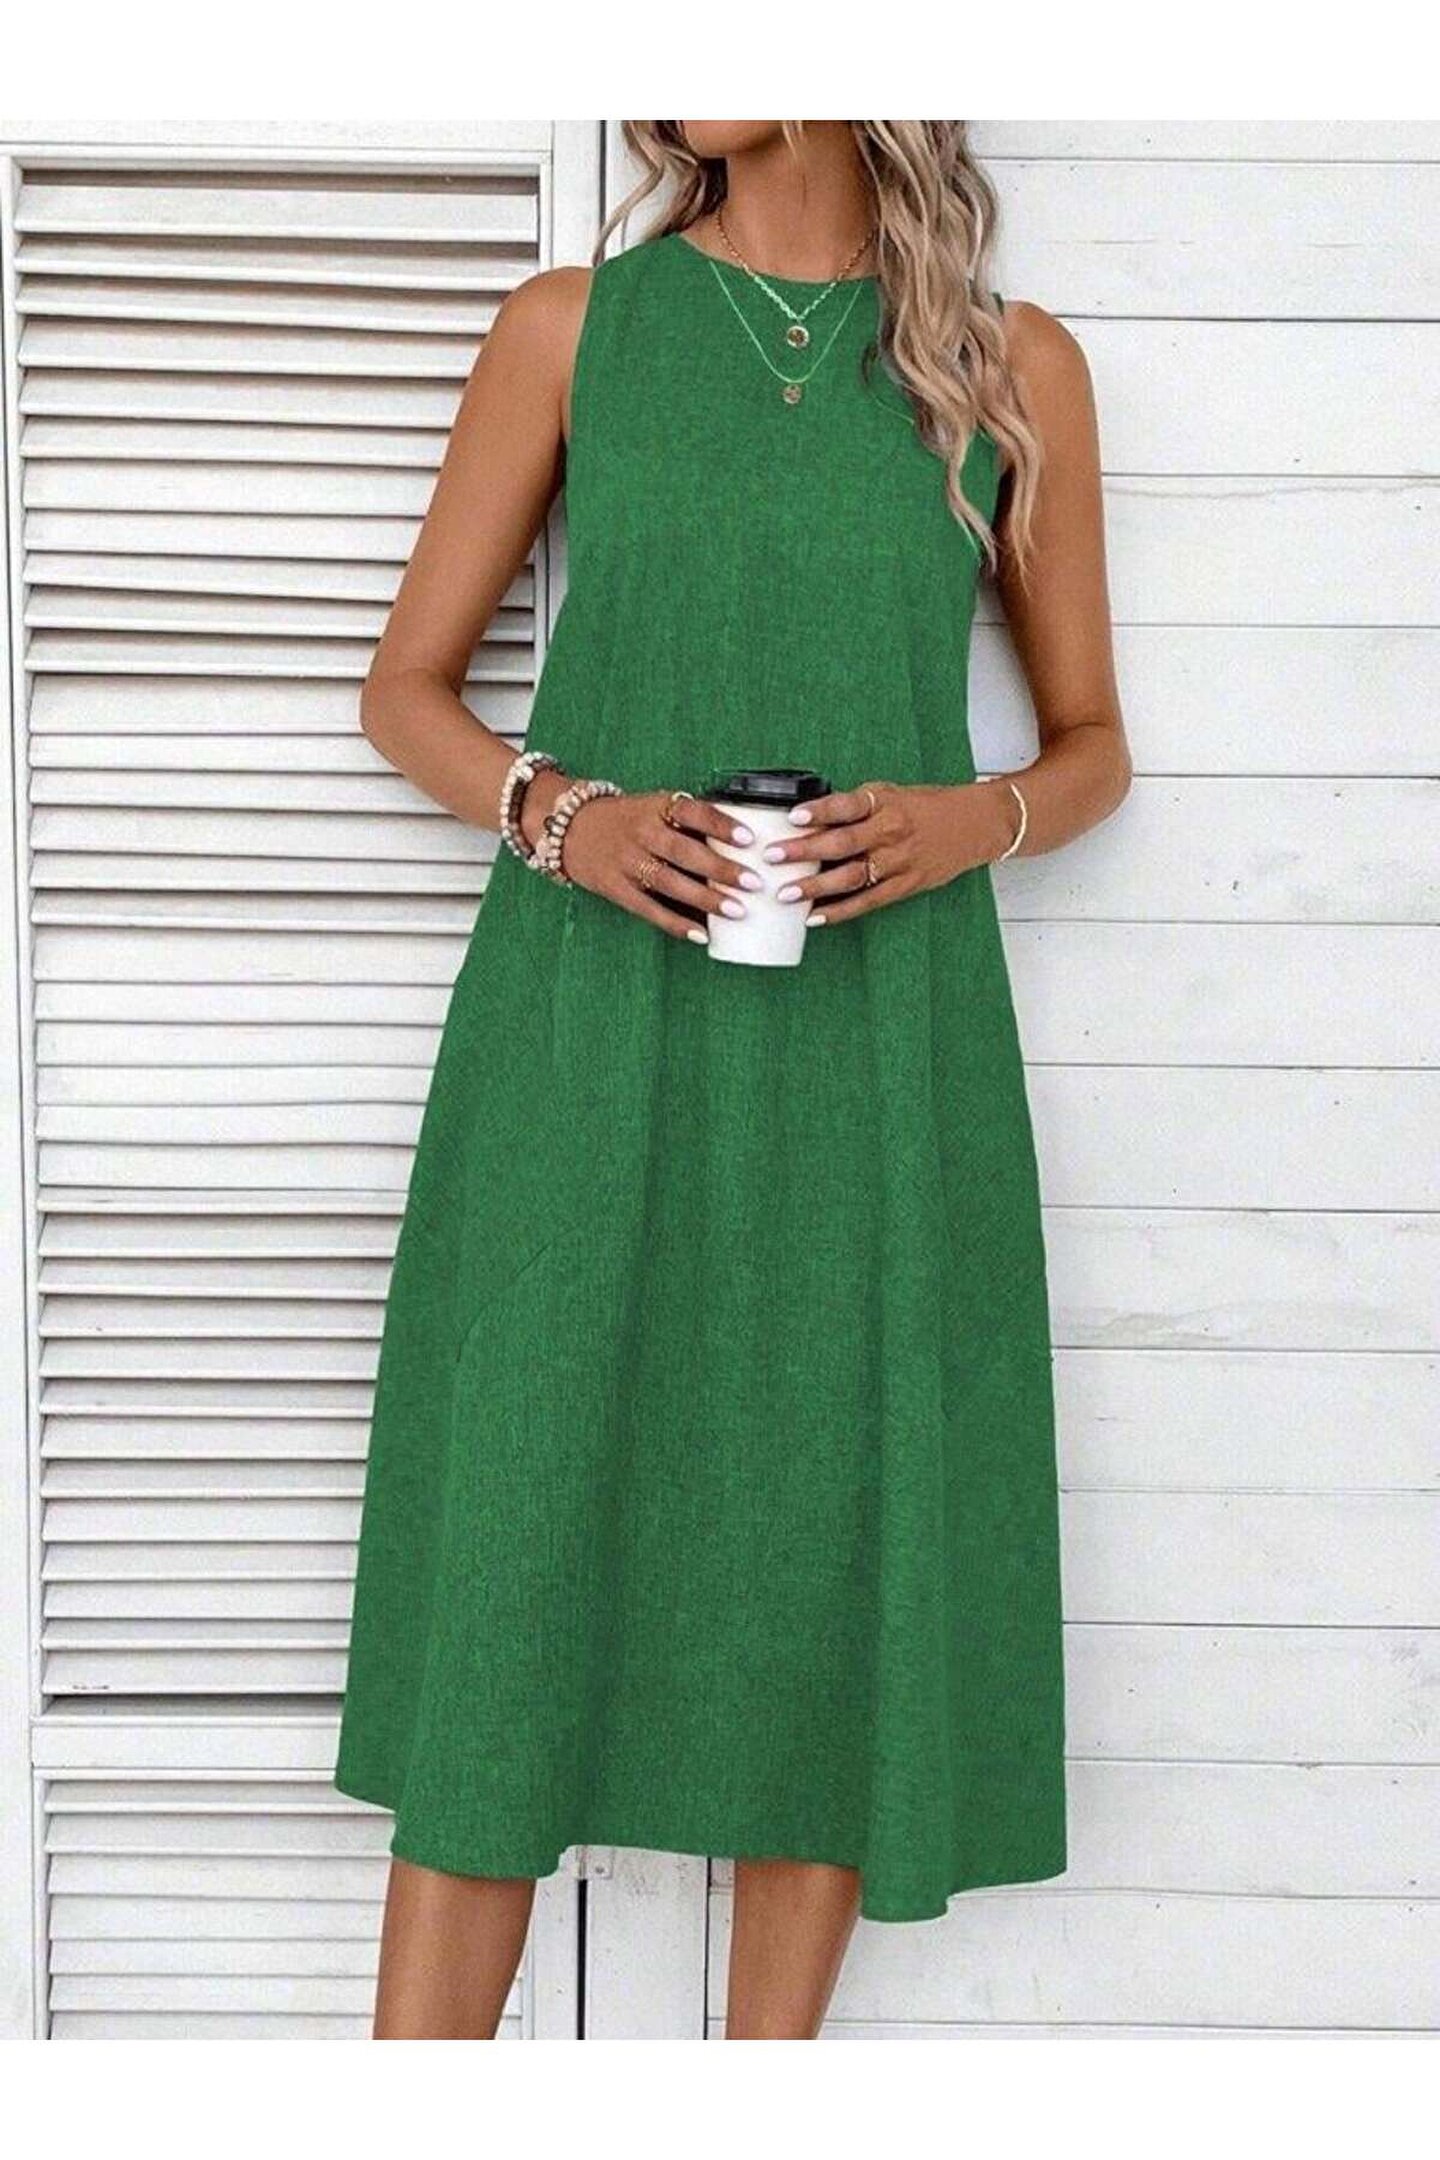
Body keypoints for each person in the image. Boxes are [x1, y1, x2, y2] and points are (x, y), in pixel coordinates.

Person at [333, 119, 1132, 2040]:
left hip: (882, 1040)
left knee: (828, 1554)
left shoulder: (1010, 363)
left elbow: (1096, 744)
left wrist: (972, 819)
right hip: (585, 1023)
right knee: (517, 1557)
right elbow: (404, 692)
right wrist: (566, 816)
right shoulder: (571, 331)